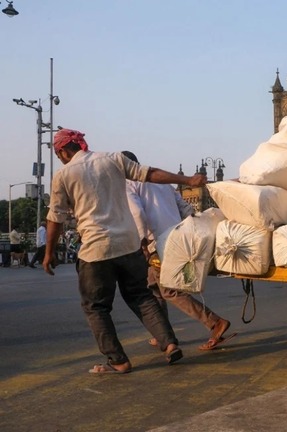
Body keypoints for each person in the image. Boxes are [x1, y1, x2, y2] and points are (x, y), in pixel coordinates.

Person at [42, 128, 207, 374]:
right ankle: (169, 343)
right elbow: (149, 173)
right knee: (141, 296)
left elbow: (55, 218)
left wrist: (49, 253)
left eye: (59, 155)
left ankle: (118, 360)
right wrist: (188, 181)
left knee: (96, 307)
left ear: (63, 151)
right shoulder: (113, 159)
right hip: (128, 244)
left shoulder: (64, 174)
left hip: (95, 251)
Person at [122, 150, 234, 351]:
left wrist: (142, 243)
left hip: (155, 242)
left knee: (168, 290)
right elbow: (185, 208)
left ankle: (214, 322)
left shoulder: (128, 183)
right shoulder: (160, 182)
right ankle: (161, 333)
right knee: (153, 287)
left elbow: (136, 213)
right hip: (175, 237)